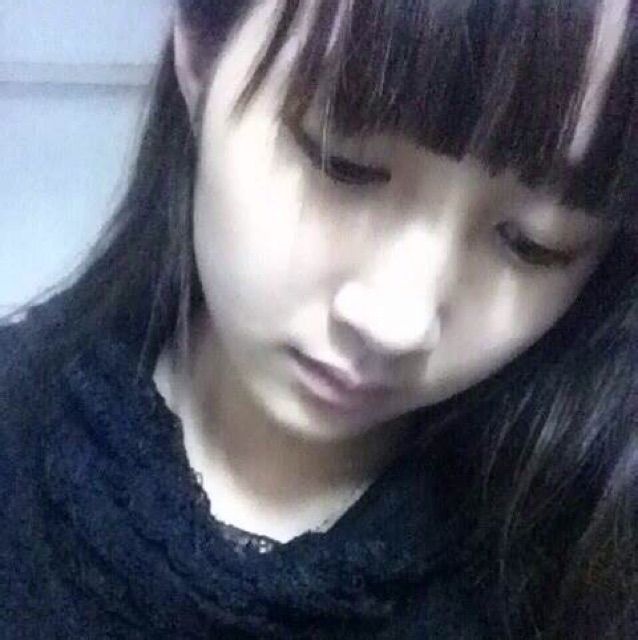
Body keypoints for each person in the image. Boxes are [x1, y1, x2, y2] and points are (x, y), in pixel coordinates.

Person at [1, 0, 636, 638]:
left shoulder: (583, 567)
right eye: (342, 162)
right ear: (200, 53)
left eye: (533, 244)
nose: (398, 322)